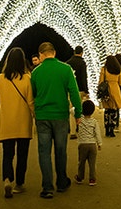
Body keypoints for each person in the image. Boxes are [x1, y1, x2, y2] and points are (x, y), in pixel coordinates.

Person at [30, 41, 82, 199]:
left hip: (43, 116)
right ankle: (61, 182)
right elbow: (74, 92)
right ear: (54, 53)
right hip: (60, 116)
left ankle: (47, 187)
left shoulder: (36, 72)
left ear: (41, 55)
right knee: (61, 150)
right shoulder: (66, 69)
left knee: (44, 152)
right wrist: (78, 114)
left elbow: (34, 93)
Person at [0, 47, 33, 198]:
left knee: (7, 154)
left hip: (6, 123)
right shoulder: (27, 78)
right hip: (23, 123)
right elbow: (30, 102)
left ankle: (7, 179)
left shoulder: (0, 79)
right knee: (22, 155)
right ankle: (19, 184)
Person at [74, 99, 102, 185]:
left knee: (81, 162)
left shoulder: (80, 119)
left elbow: (72, 110)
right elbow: (97, 133)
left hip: (82, 144)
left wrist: (78, 109)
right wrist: (99, 143)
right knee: (92, 163)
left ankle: (80, 177)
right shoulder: (94, 122)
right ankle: (92, 179)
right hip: (92, 145)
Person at [98, 55, 121, 137]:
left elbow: (101, 81)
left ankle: (107, 129)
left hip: (107, 92)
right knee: (114, 111)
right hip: (115, 91)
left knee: (107, 111)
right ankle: (112, 129)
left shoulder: (104, 69)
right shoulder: (118, 70)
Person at [66, 46, 88, 138]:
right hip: (80, 89)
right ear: (82, 52)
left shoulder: (68, 63)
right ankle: (80, 127)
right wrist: (86, 90)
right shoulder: (82, 63)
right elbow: (83, 77)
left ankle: (72, 131)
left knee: (71, 109)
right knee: (79, 108)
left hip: (70, 89)